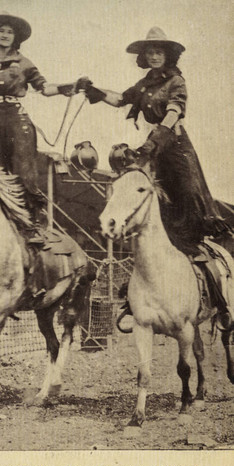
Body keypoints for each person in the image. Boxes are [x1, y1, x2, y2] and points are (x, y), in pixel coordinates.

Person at [80, 26, 233, 328]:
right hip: (153, 152)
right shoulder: (143, 85)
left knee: (188, 208)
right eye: (149, 52)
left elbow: (173, 114)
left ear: (167, 55)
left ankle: (218, 299)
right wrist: (93, 91)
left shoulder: (176, 81)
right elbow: (121, 99)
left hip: (176, 151)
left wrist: (152, 143)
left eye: (158, 51)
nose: (153, 56)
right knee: (150, 215)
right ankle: (134, 300)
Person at [0, 12, 80, 245]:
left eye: (10, 31)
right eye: (1, 31)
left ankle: (32, 225)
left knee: (24, 170)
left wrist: (67, 87)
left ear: (16, 37)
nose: (6, 35)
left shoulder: (25, 63)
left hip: (17, 119)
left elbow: (44, 87)